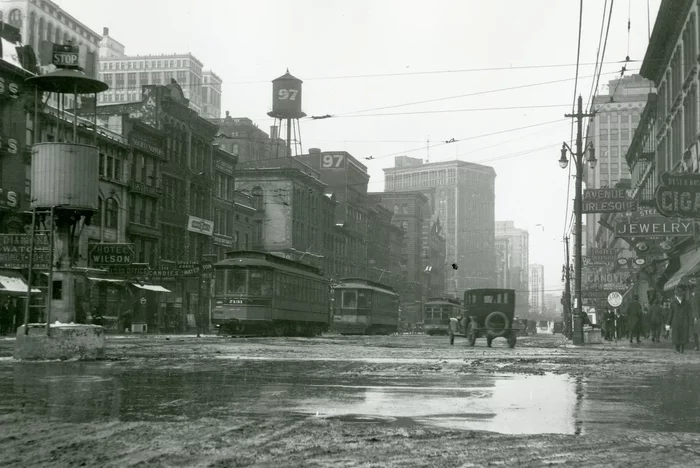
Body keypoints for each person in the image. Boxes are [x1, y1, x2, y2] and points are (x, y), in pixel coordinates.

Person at [668, 286, 692, 354]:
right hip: (676, 322)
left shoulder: (687, 303)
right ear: (676, 296)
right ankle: (677, 349)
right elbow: (671, 314)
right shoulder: (673, 303)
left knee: (683, 336)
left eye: (680, 295)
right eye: (678, 295)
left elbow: (689, 314)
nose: (679, 297)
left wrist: (690, 323)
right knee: (676, 336)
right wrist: (668, 324)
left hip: (684, 322)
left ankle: (682, 349)